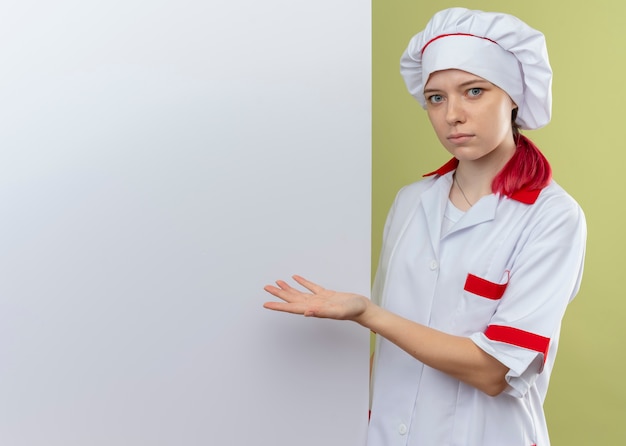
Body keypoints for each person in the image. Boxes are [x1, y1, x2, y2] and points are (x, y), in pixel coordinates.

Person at [263, 7, 586, 446]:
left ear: (512, 96)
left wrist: (367, 313)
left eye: (474, 91)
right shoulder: (411, 201)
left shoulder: (552, 217)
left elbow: (494, 371)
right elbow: (390, 353)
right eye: (436, 97)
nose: (452, 114)